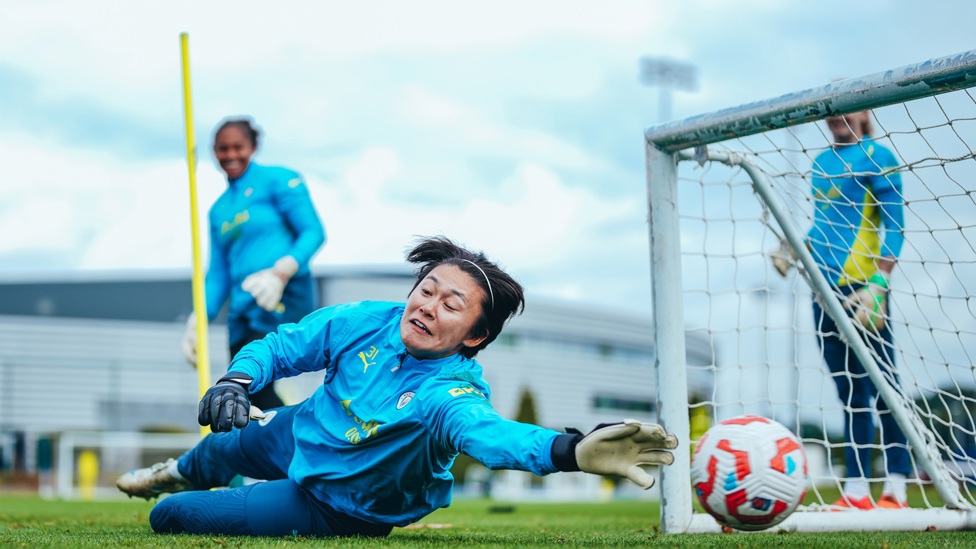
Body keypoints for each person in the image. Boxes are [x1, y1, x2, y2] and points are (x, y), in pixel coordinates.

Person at [118, 236, 679, 537]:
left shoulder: (450, 392)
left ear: (476, 336)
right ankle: (172, 471)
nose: (428, 306)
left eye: (450, 305)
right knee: (218, 446)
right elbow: (285, 345)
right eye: (427, 290)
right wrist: (238, 380)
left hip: (340, 505)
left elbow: (490, 436)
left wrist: (571, 450)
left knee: (171, 518)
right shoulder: (370, 318)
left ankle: (186, 493)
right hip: (301, 433)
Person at [774, 110, 909, 510]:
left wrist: (880, 282)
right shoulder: (820, 162)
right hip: (824, 293)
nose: (838, 115)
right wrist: (796, 245)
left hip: (863, 291)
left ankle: (896, 489)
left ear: (865, 112)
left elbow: (895, 225)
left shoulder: (879, 156)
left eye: (847, 106)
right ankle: (856, 492)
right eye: (830, 109)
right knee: (849, 394)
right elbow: (827, 223)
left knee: (885, 389)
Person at [181, 117, 326, 410]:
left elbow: (313, 232)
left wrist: (281, 271)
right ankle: (267, 445)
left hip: (281, 295)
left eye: (238, 147)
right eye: (223, 149)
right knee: (244, 389)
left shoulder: (279, 180)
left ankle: (295, 433)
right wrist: (200, 318)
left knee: (267, 374)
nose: (231, 155)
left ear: (253, 147)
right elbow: (219, 273)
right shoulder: (219, 210)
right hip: (242, 307)